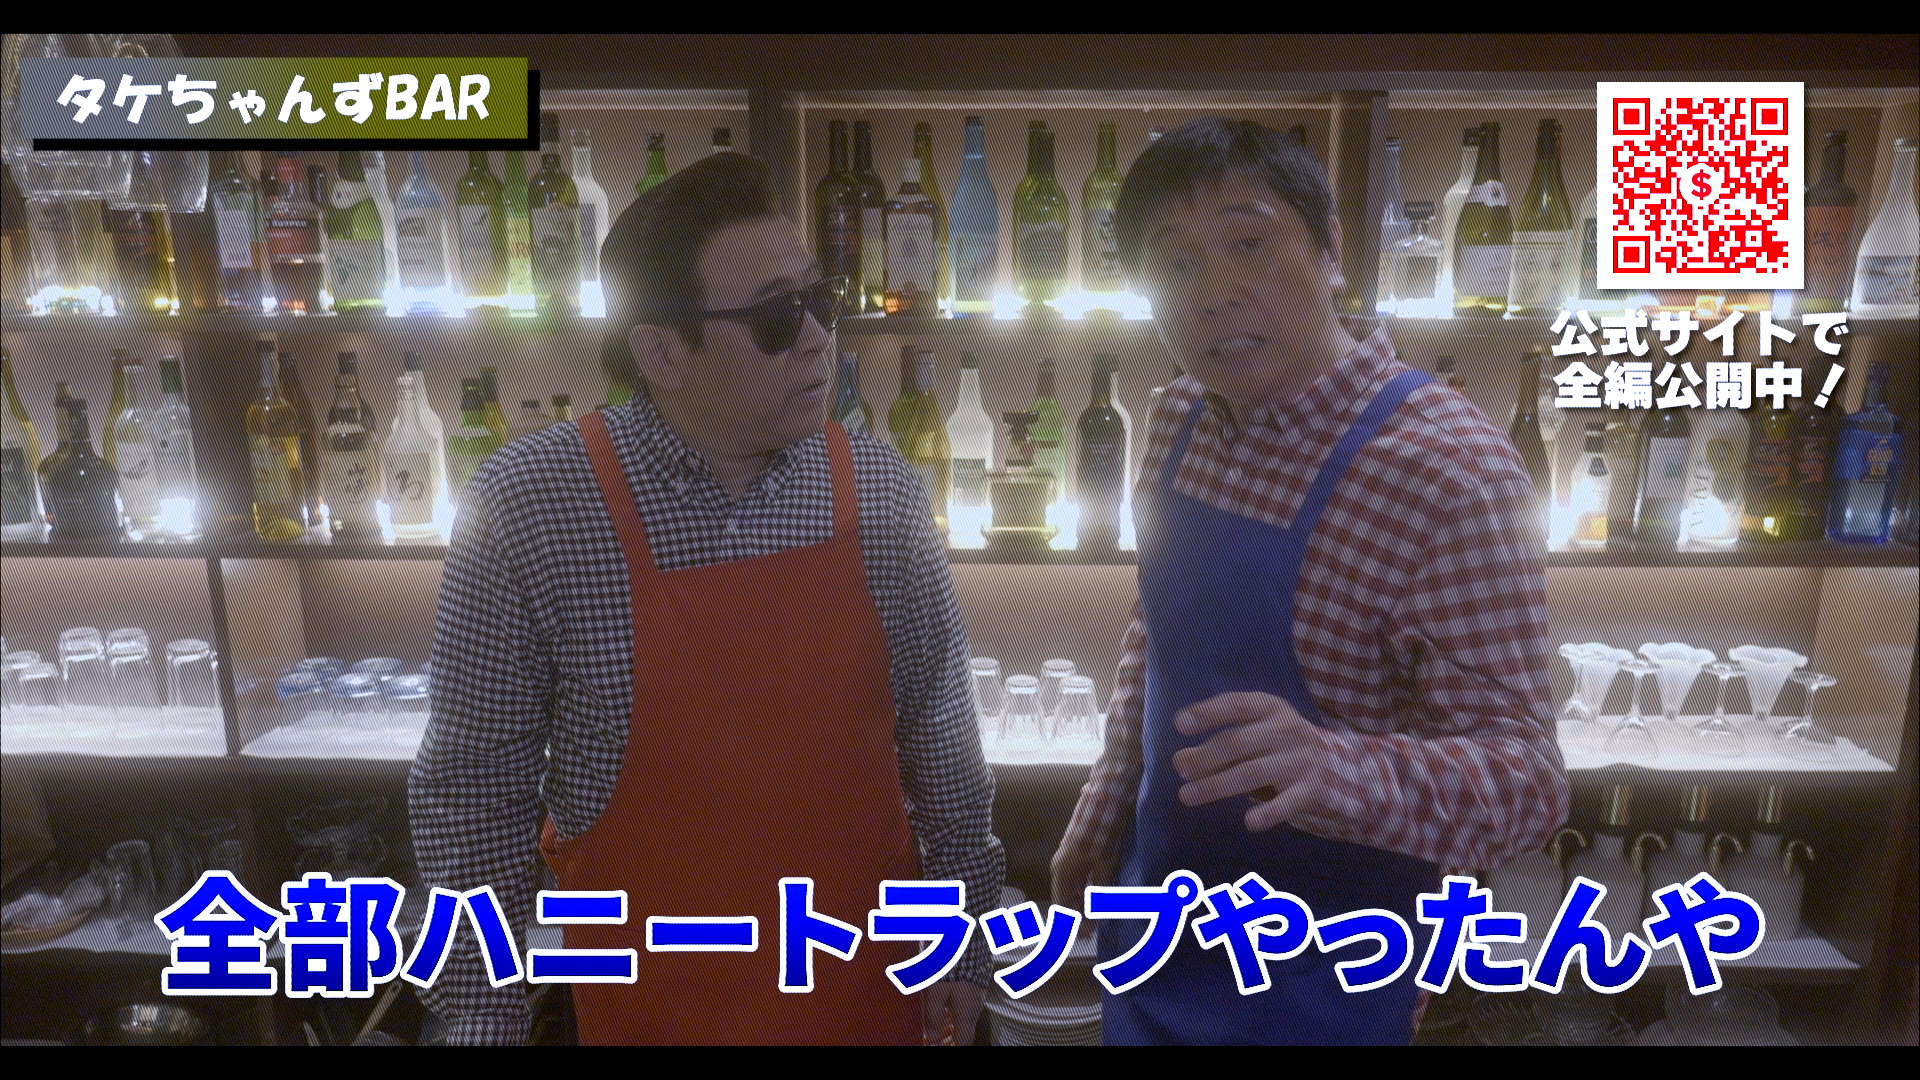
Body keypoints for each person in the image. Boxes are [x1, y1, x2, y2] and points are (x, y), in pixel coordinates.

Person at [411, 152, 1003, 1046]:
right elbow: (473, 793)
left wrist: (963, 941)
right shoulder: (533, 505)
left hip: (857, 993)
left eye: (819, 299)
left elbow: (942, 745)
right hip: (648, 1004)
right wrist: (483, 1013)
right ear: (660, 351)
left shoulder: (881, 493)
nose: (817, 337)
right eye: (774, 316)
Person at [1050, 118, 1569, 1045]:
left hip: (1327, 968)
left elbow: (1528, 781)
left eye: (1249, 244)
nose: (1215, 293)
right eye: (1174, 264)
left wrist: (1337, 769)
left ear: (1330, 249)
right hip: (1159, 927)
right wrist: (1105, 801)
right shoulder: (1177, 419)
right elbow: (1156, 628)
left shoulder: (1450, 472)